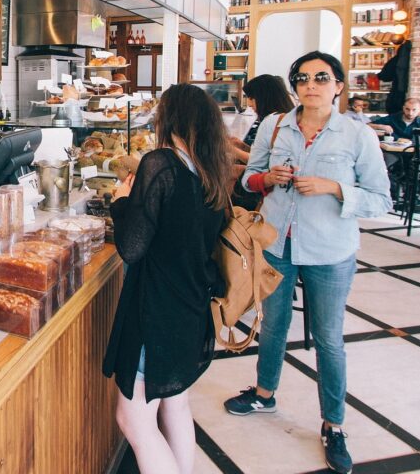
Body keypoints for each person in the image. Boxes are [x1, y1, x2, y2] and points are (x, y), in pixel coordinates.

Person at [224, 51, 391, 474]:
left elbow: (381, 200)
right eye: (301, 78)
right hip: (278, 244)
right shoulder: (277, 125)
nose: (310, 84)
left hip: (330, 252)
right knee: (273, 324)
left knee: (329, 338)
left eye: (321, 77)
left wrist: (336, 188)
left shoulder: (357, 136)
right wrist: (267, 179)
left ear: (338, 85)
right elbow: (248, 178)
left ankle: (334, 424)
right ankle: (264, 393)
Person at [103, 84, 228, 474]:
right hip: (191, 307)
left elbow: (132, 247)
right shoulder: (211, 172)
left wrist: (121, 203)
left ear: (168, 118)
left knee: (135, 422)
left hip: (158, 311)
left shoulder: (162, 164)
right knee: (176, 403)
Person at [229, 74, 294, 210]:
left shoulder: (273, 122)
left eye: (251, 98)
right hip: (269, 178)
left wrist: (234, 150)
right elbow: (265, 154)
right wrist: (243, 146)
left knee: (227, 171)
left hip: (269, 182)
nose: (250, 104)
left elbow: (260, 163)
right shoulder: (283, 117)